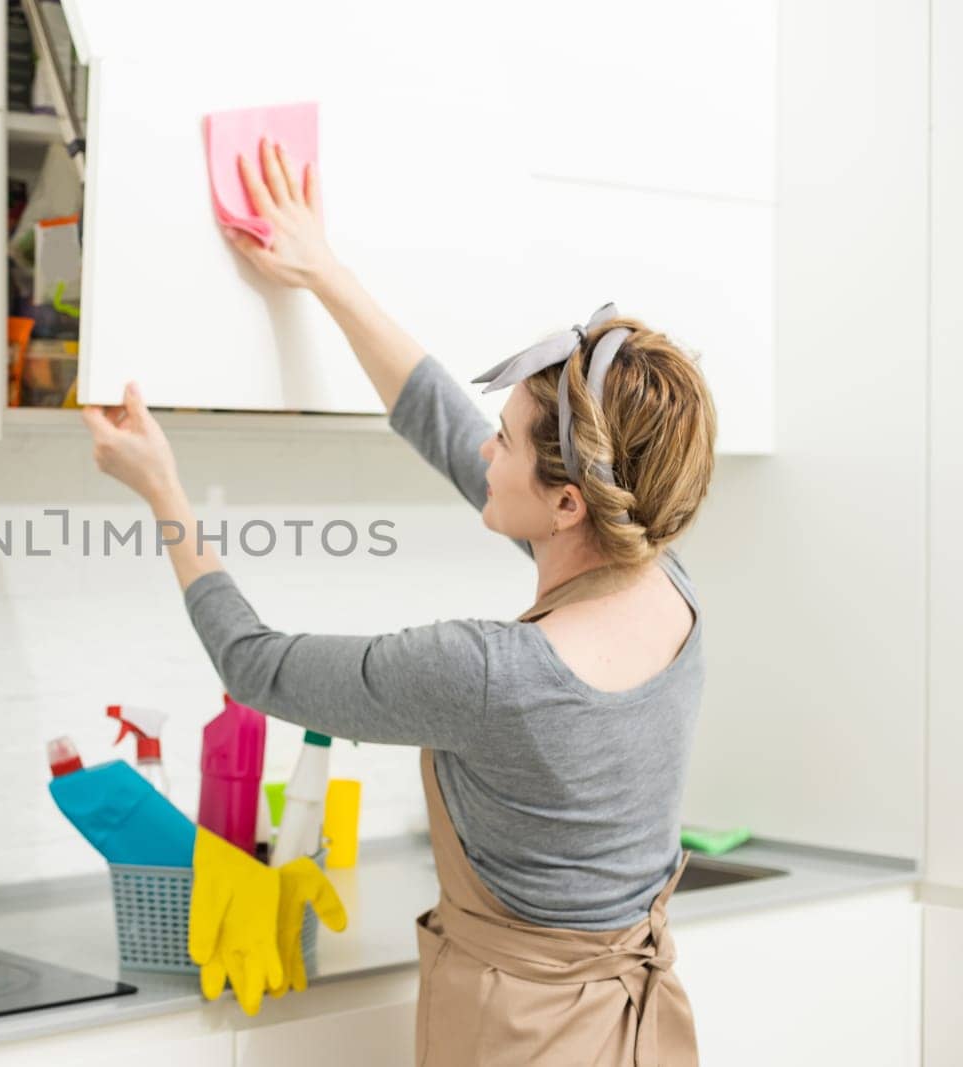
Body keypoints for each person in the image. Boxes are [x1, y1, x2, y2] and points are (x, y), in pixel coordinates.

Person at [80, 138, 716, 1065]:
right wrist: (324, 272)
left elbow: (252, 663)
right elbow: (447, 425)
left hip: (520, 1037)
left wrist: (164, 492)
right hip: (636, 1029)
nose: (484, 454)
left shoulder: (486, 673)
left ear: (568, 501)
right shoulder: (666, 581)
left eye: (506, 440)